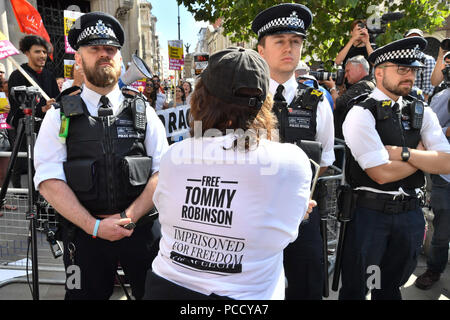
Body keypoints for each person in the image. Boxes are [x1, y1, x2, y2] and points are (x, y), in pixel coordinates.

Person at [144, 47, 313, 300]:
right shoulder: (290, 161)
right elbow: (288, 227)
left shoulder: (173, 156)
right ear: (264, 102)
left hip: (167, 287)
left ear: (200, 99)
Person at [33, 12, 169, 300]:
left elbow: (163, 172)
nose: (104, 55)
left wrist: (129, 218)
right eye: (94, 49)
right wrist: (94, 226)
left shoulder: (143, 111)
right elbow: (48, 178)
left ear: (120, 59)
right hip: (83, 240)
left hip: (142, 234)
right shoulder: (58, 116)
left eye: (110, 49)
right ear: (79, 60)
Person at [340, 37, 450, 300]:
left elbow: (446, 162)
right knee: (360, 287)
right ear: (378, 72)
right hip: (370, 217)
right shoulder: (362, 112)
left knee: (389, 288)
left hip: (409, 215)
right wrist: (424, 158)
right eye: (401, 69)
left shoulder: (421, 110)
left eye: (412, 70)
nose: (409, 76)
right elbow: (380, 173)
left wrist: (404, 154)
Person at [252, 3, 335, 300]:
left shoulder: (317, 101)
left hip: (302, 217)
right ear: (261, 50)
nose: (289, 48)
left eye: (295, 42)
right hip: (253, 218)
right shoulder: (243, 100)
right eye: (280, 41)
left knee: (307, 288)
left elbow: (323, 160)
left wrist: (297, 194)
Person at [414, 60, 450, 290]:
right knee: (442, 232)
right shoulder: (442, 97)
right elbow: (429, 132)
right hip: (445, 177)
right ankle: (434, 270)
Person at [7, 35, 59, 188]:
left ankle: (42, 191)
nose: (42, 55)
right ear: (27, 53)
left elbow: (56, 98)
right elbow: (17, 107)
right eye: (37, 52)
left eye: (44, 52)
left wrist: (55, 105)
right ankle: (18, 190)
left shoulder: (49, 75)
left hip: (45, 126)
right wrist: (41, 109)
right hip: (23, 126)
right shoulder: (18, 75)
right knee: (22, 158)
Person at [331, 55, 375, 140]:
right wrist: (341, 89)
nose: (345, 75)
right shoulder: (369, 83)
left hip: (346, 141)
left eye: (348, 71)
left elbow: (338, 104)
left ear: (359, 67)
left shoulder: (363, 86)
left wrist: (332, 88)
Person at [404, 29, 436, 102]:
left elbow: (427, 92)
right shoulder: (399, 59)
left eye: (417, 38)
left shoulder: (428, 60)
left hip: (417, 103)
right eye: (410, 38)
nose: (413, 41)